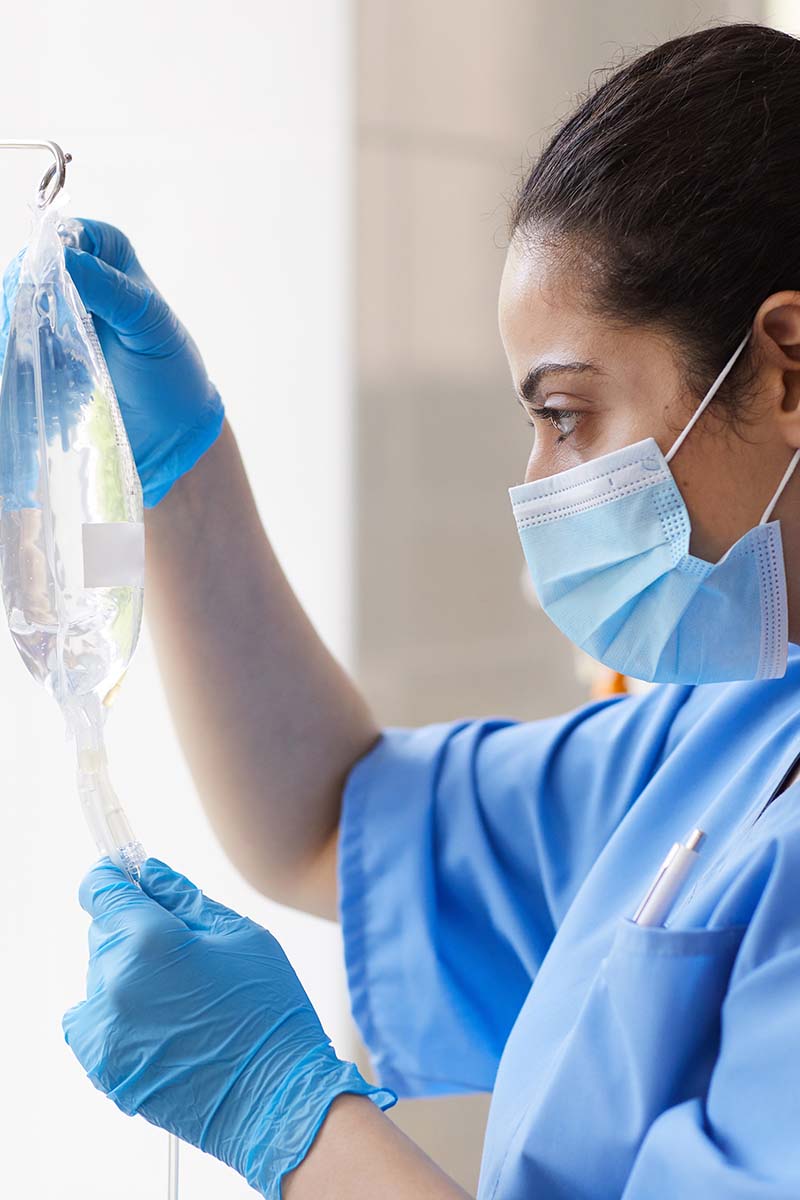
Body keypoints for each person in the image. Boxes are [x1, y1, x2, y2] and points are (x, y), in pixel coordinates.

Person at [56, 22, 800, 1200]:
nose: (540, 484)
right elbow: (326, 823)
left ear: (781, 367)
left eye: (565, 413)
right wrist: (176, 463)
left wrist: (287, 1113)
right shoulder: (733, 727)